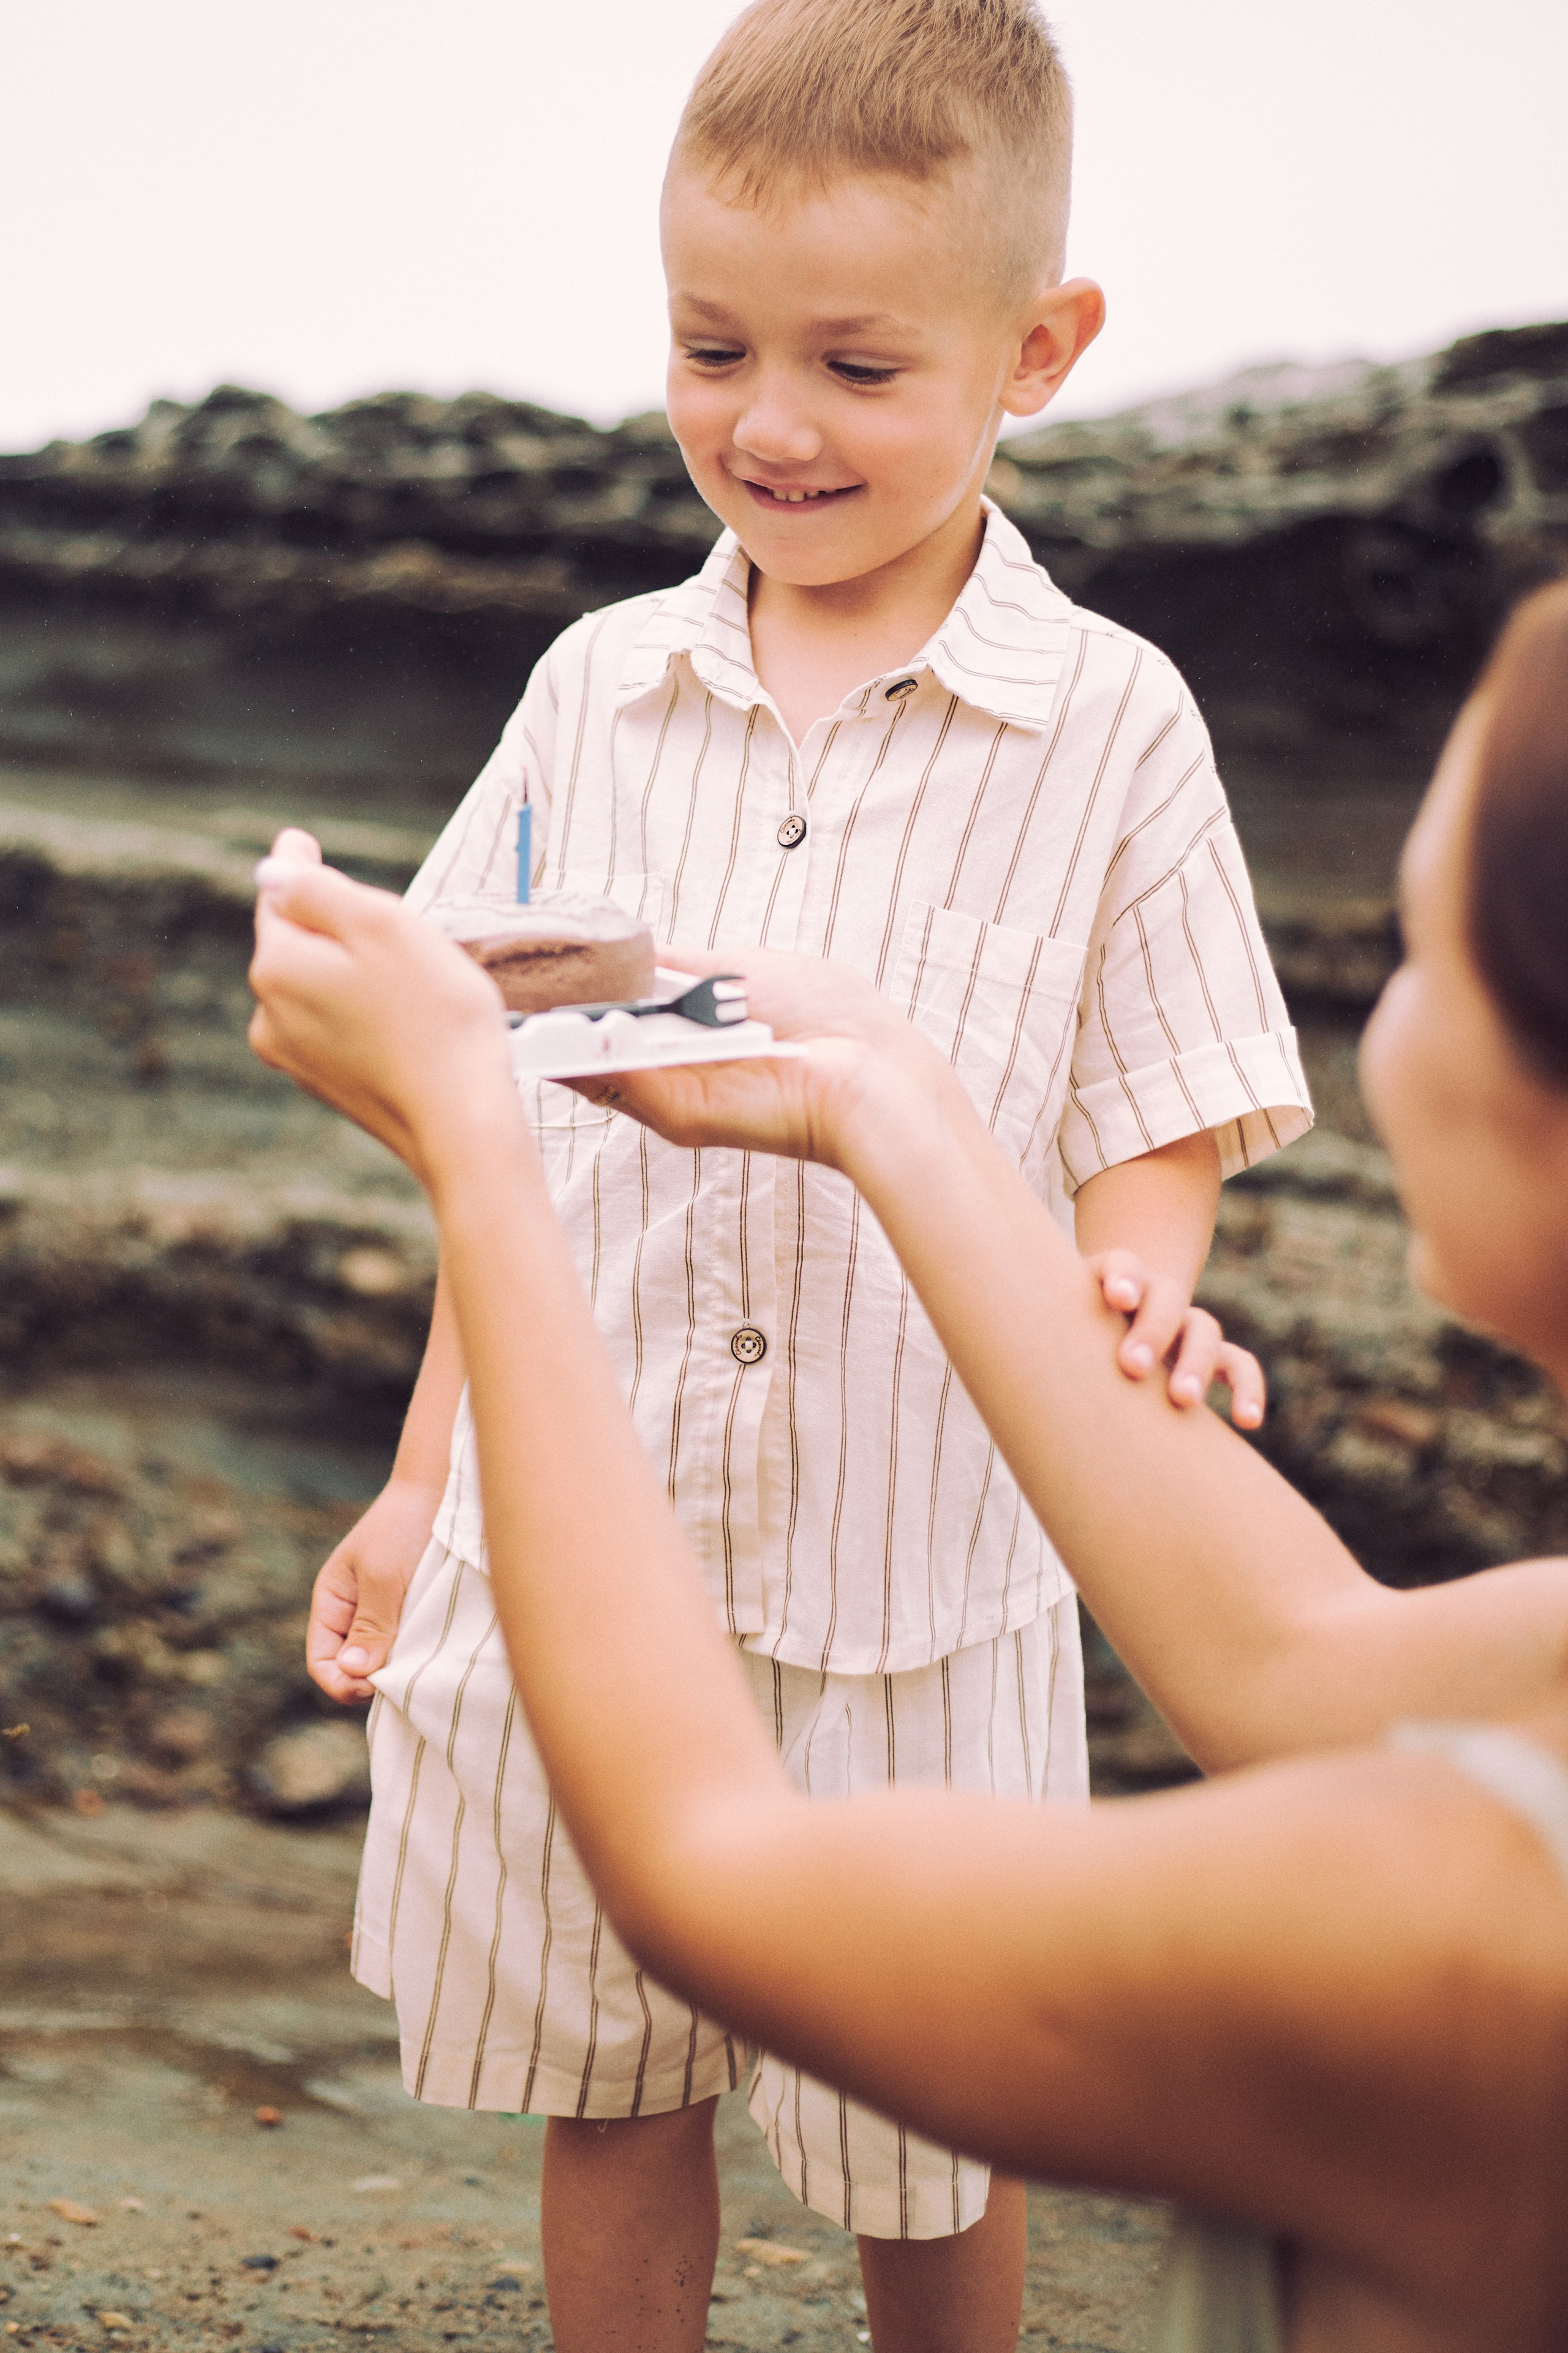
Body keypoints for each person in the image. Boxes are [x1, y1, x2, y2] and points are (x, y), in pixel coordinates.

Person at [249, 578, 1568, 2352]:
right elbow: (1288, 1659)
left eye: (1417, 950)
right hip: (655, 1483)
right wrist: (881, 1092)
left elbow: (704, 1869)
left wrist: (465, 1139)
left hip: (917, 1578)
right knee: (614, 2084)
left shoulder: (1468, 1920)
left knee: (933, 2162)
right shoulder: (1508, 1694)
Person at [309, 3, 1308, 2342]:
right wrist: (411, 1479)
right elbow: (496, 1129)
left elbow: (1162, 1113)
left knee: (931, 2109)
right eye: (710, 347)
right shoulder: (592, 696)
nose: (769, 425)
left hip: (923, 1577)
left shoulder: (1116, 727)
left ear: (1036, 348)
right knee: (605, 2064)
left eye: (860, 365)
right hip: (589, 1537)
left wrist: (1143, 1279)